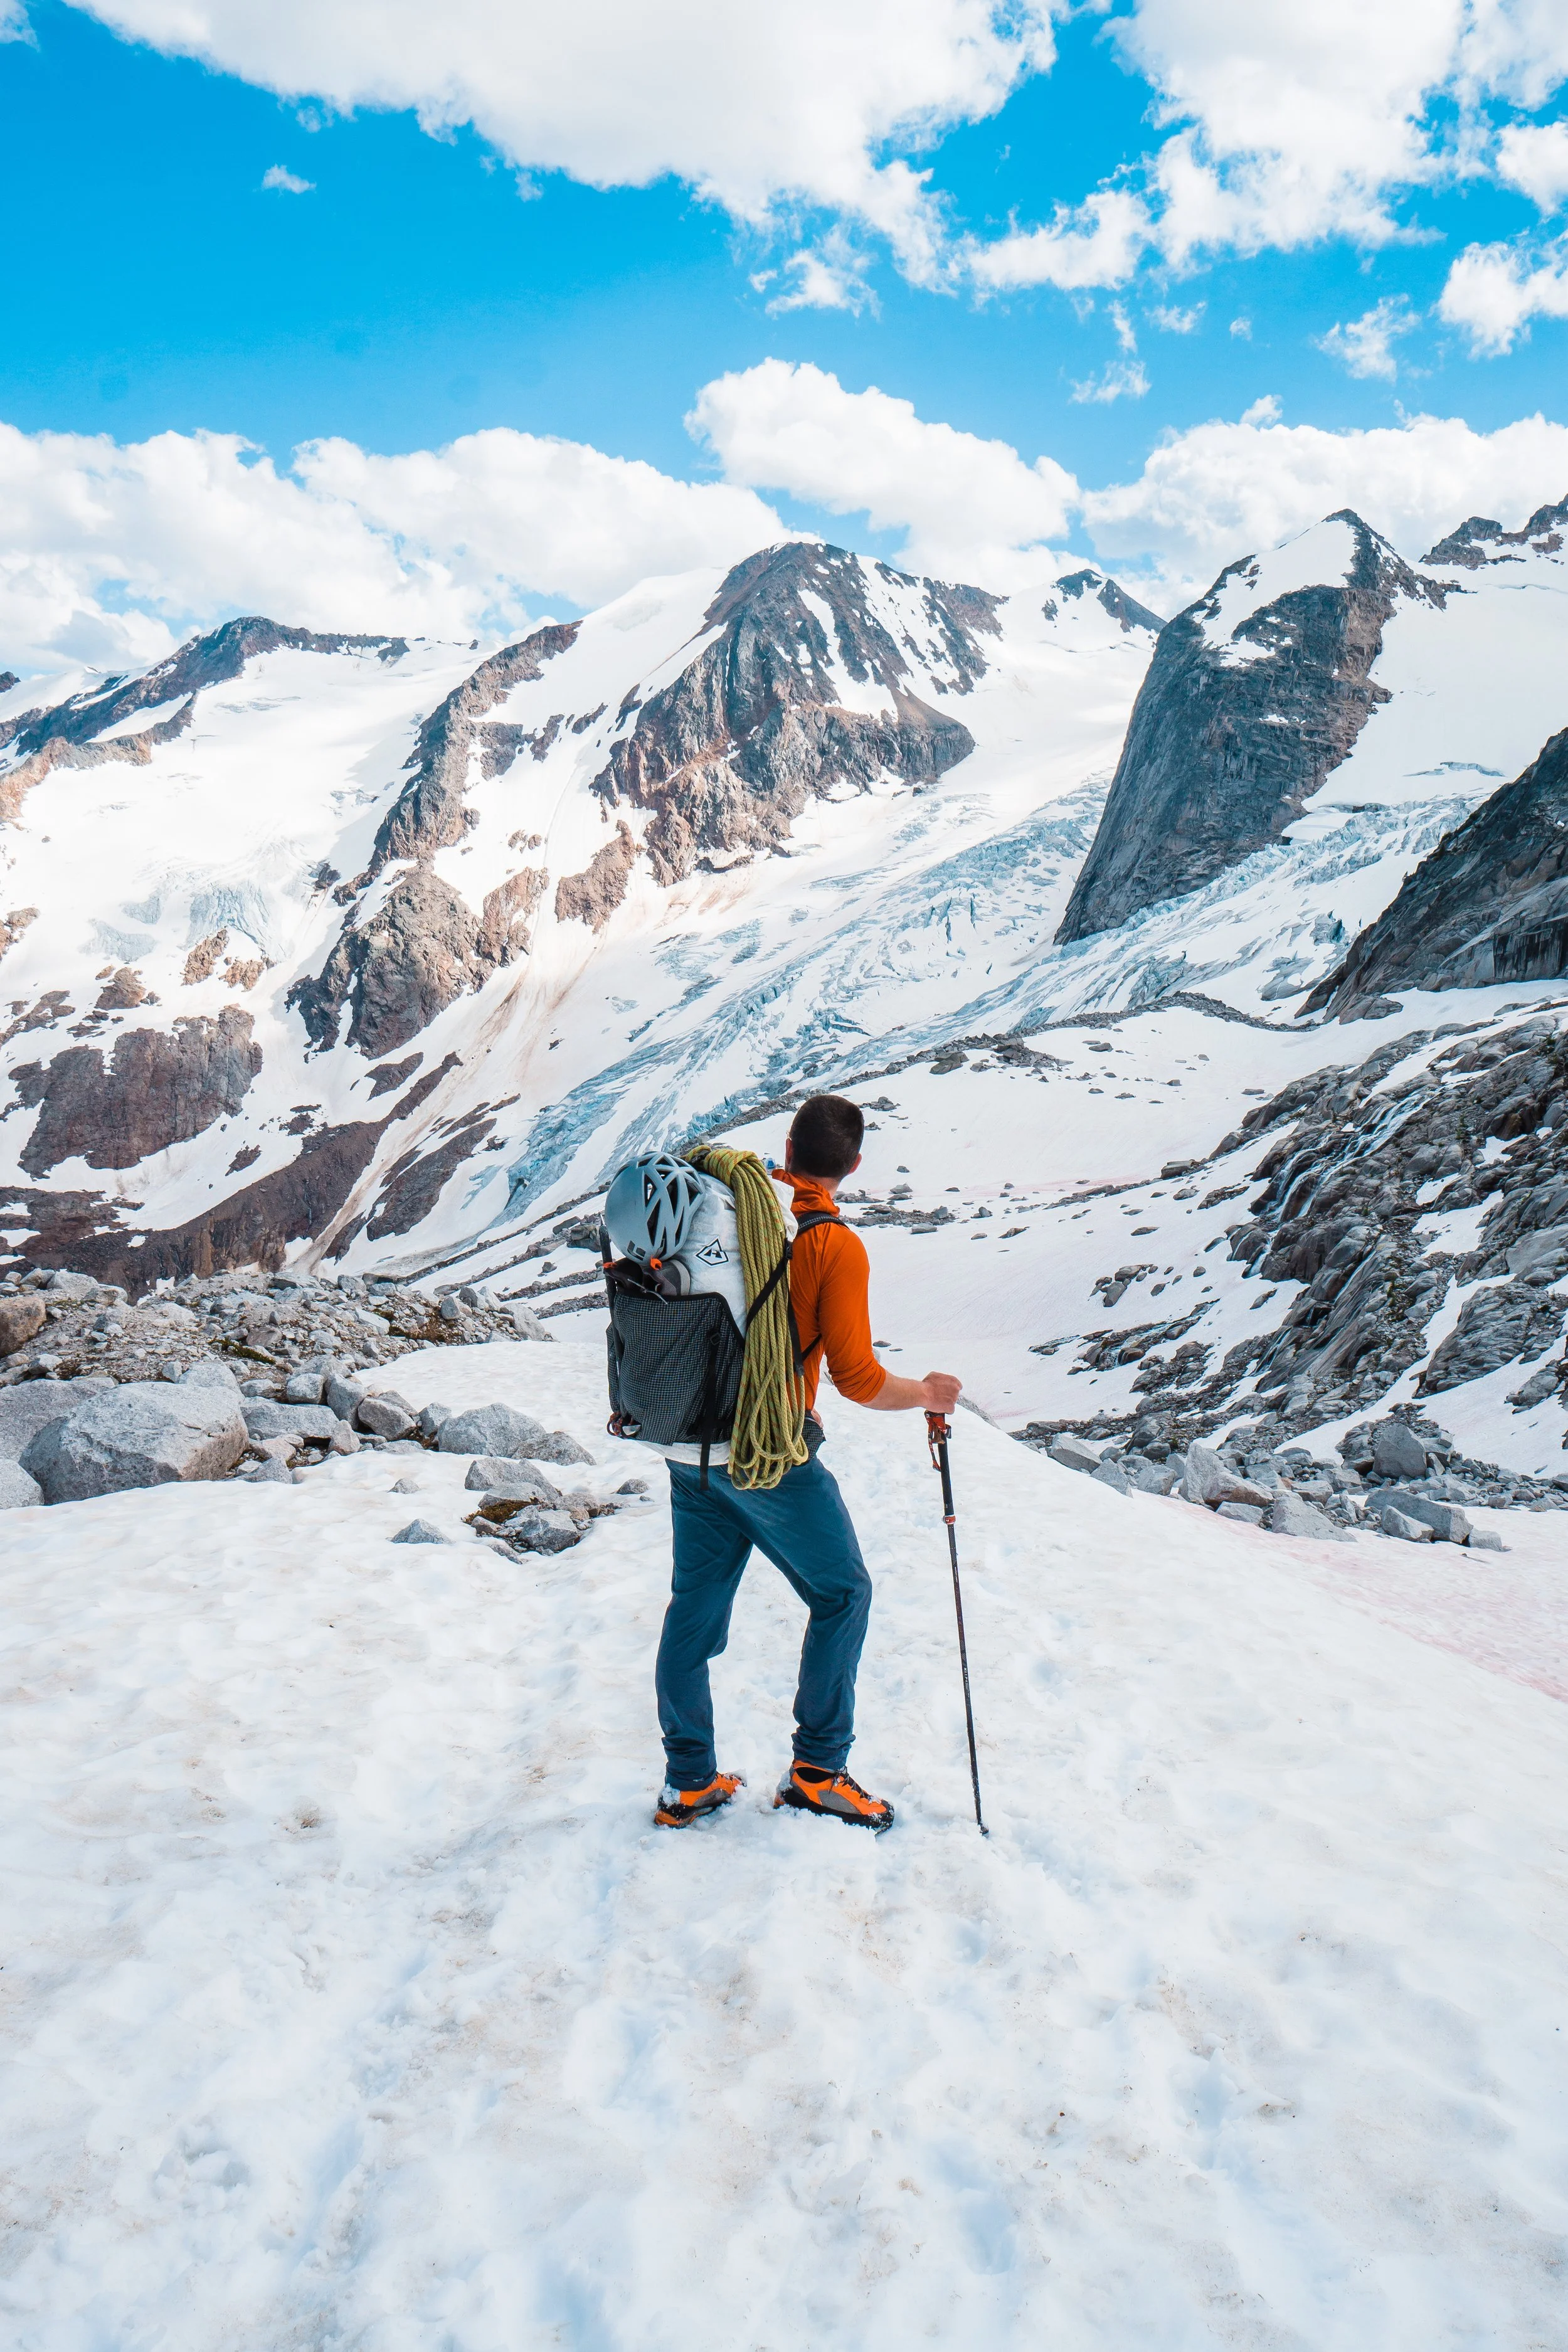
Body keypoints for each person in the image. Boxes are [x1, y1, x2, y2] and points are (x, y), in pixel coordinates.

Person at [652, 1093, 962, 1833]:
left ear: (785, 1149)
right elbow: (857, 1378)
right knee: (843, 1592)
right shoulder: (829, 1242)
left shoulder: (728, 1200)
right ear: (853, 1166)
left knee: (693, 1609)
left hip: (683, 1440)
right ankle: (818, 1772)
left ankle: (688, 1781)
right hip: (764, 1453)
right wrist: (929, 1393)